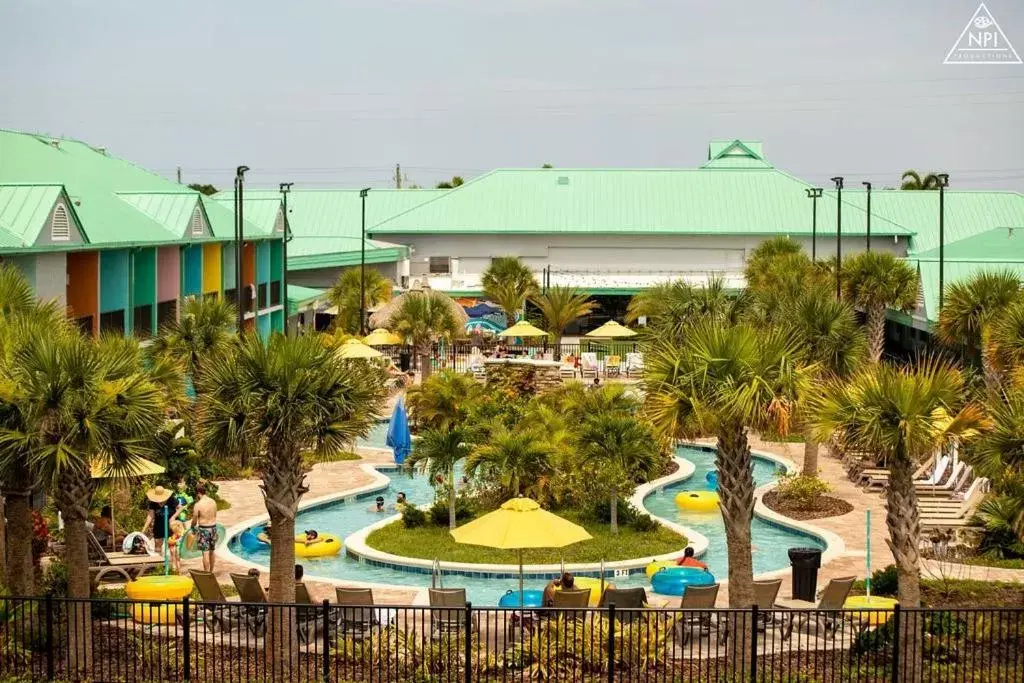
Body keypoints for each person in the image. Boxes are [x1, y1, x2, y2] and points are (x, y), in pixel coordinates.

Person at [142, 485, 178, 554]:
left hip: (170, 526)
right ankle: (159, 563)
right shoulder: (153, 502)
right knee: (157, 547)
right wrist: (144, 529)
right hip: (158, 526)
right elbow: (150, 516)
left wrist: (174, 516)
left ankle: (172, 562)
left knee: (172, 547)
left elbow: (181, 507)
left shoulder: (171, 499)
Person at [191, 484, 219, 572]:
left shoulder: (198, 504)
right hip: (213, 528)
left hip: (204, 529)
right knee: (212, 551)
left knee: (205, 553)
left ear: (198, 493)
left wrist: (192, 526)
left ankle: (206, 573)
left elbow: (194, 520)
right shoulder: (213, 501)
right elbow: (215, 514)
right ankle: (211, 571)